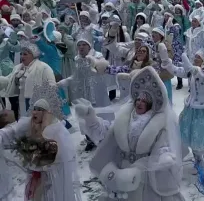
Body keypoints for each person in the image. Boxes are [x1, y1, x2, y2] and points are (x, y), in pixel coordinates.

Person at [75, 66, 185, 201]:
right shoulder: (124, 118)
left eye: (144, 101)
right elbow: (105, 134)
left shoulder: (158, 123)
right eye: (138, 99)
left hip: (146, 178)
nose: (139, 102)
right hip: (121, 174)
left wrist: (164, 157)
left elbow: (163, 146)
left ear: (150, 104)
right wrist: (90, 118)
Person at [0, 84, 81, 201]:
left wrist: (38, 161)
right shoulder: (29, 124)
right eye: (34, 109)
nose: (35, 113)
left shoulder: (56, 129)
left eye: (40, 110)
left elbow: (60, 158)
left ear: (47, 113)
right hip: (35, 178)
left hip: (52, 180)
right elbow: (11, 131)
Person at [0, 41, 55, 120]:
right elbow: (8, 79)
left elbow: (52, 85)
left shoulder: (43, 67)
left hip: (36, 102)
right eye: (21, 54)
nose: (22, 56)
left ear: (34, 55)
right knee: (23, 119)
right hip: (20, 100)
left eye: (25, 54)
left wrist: (44, 102)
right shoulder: (17, 68)